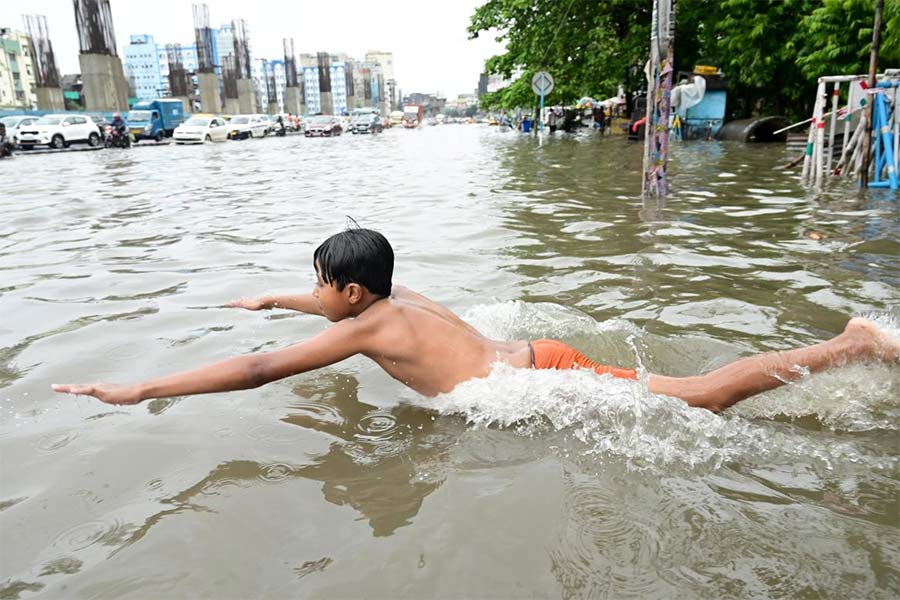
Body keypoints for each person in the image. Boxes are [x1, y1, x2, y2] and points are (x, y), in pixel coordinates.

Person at [52, 228, 899, 411]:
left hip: (535, 379)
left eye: (318, 287)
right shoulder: (398, 296)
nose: (316, 295)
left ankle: (849, 343)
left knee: (700, 398)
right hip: (532, 356)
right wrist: (273, 298)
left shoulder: (364, 329)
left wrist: (140, 388)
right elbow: (325, 302)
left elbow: (254, 371)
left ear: (350, 294)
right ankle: (847, 345)